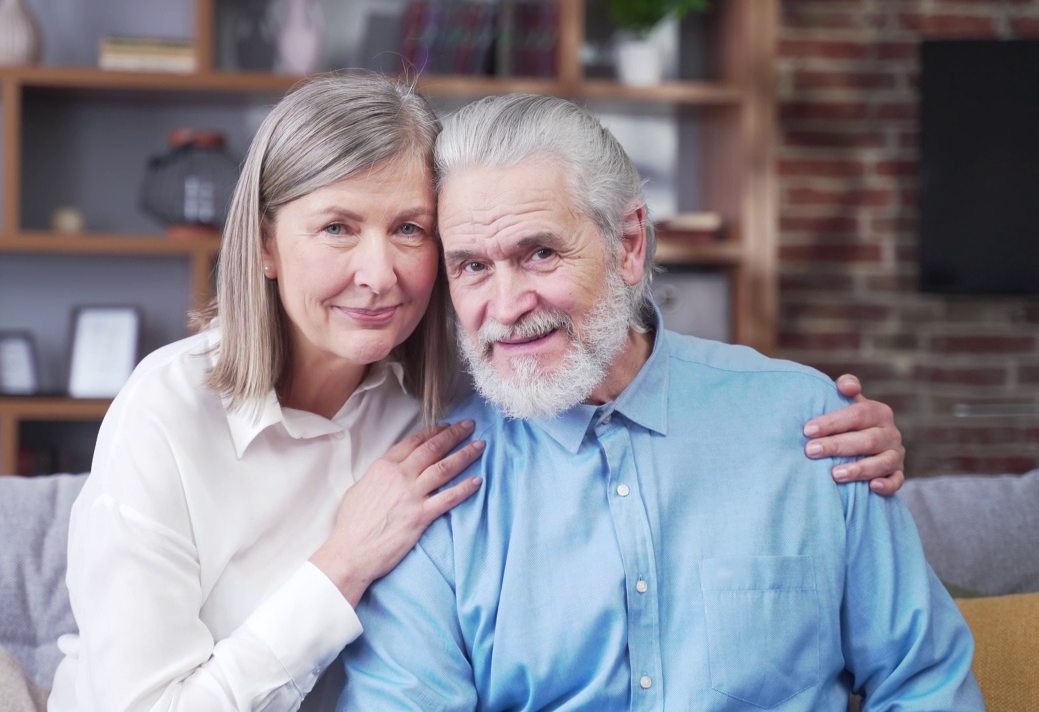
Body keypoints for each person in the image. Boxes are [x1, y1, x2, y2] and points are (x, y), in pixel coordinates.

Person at [48, 76, 908, 712]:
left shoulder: (469, 390)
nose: (378, 274)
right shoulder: (168, 413)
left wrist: (829, 427)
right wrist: (342, 565)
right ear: (266, 244)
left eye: (411, 231)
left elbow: (594, 353)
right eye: (337, 227)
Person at [338, 93, 983, 711]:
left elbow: (925, 683)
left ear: (628, 245)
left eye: (539, 253)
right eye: (473, 266)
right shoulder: (433, 490)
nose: (506, 307)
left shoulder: (812, 427)